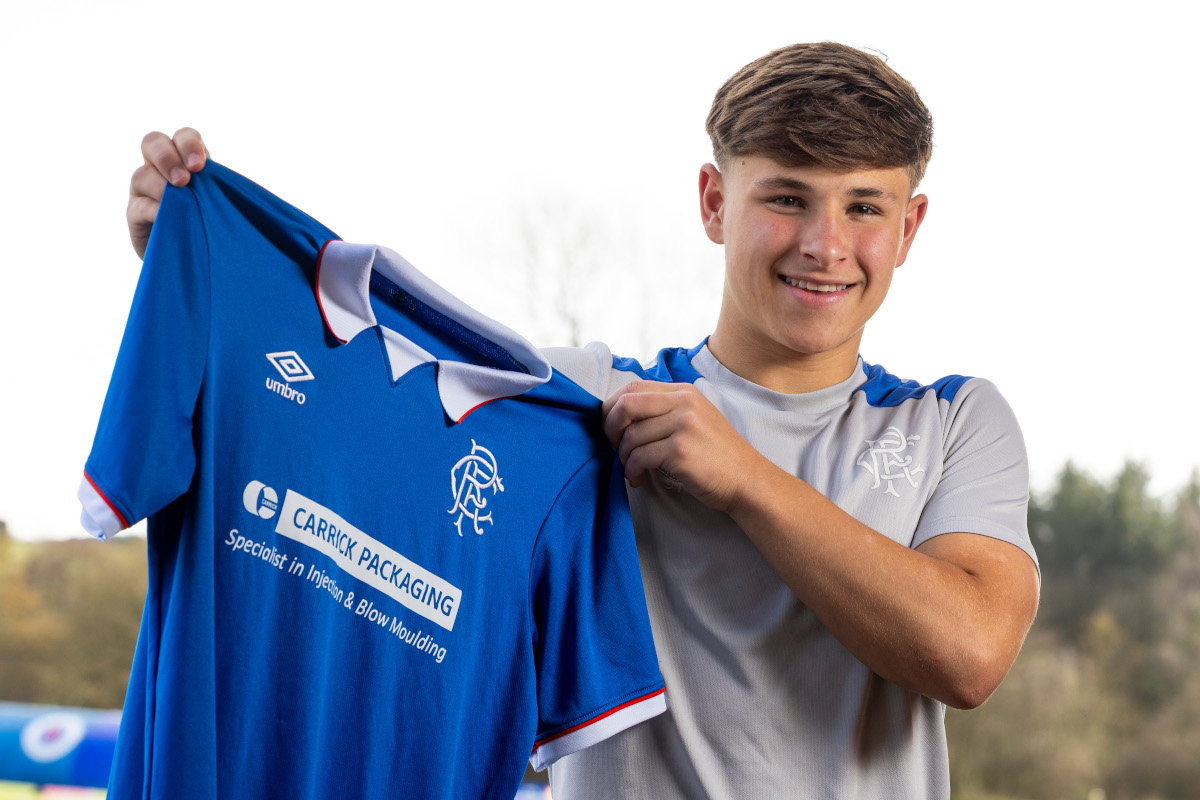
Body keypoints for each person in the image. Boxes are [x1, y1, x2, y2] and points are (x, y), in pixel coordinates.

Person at [126, 42, 1039, 799]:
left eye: (864, 207)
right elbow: (346, 410)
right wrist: (206, 272)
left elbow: (967, 654)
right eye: (787, 197)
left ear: (909, 227)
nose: (824, 244)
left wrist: (746, 481)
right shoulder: (584, 403)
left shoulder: (953, 421)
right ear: (716, 203)